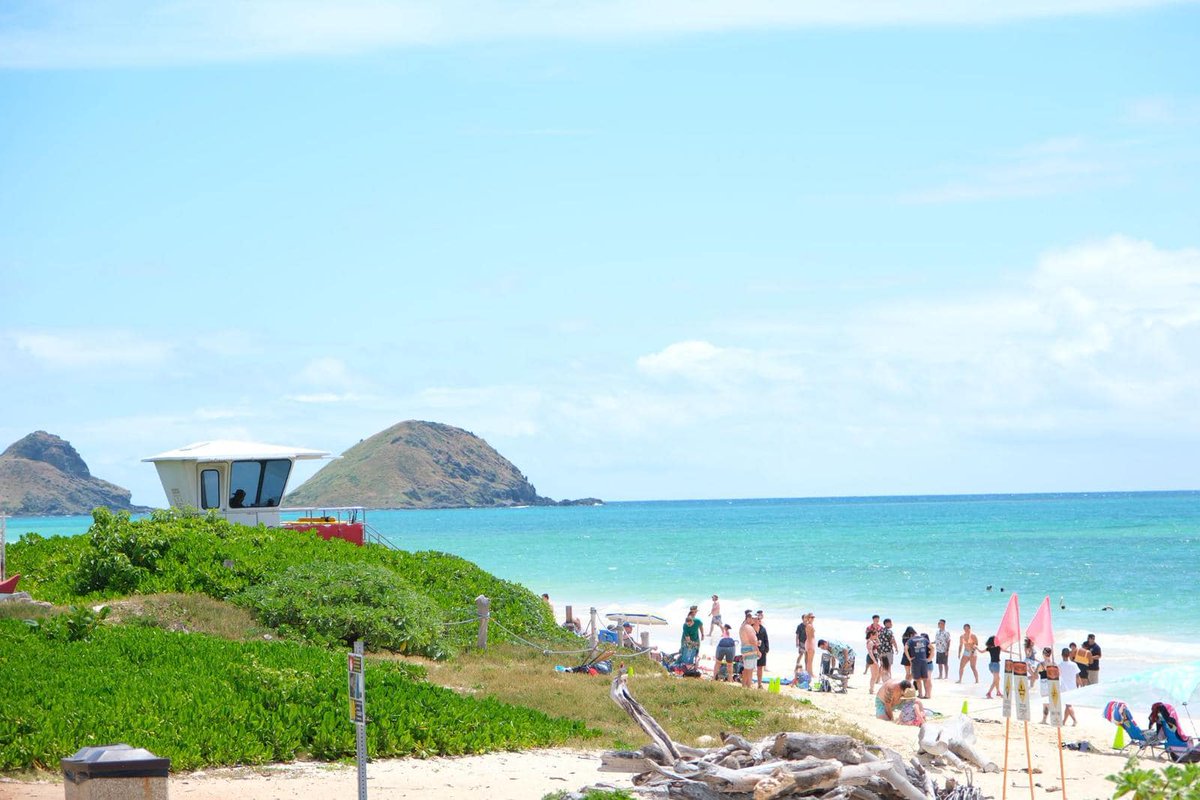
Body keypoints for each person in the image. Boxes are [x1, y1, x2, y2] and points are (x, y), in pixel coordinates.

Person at [907, 629, 933, 699]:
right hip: (926, 663)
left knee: (924, 679)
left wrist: (929, 658)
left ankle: (925, 694)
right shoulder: (925, 646)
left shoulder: (925, 646)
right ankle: (927, 694)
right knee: (926, 679)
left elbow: (932, 651)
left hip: (926, 663)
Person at [740, 614, 760, 688]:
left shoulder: (743, 626)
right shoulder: (748, 627)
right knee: (749, 670)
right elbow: (752, 641)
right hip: (750, 649)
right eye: (753, 618)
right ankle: (748, 686)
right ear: (748, 618)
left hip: (745, 649)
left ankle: (744, 686)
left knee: (747, 669)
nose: (754, 620)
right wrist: (758, 651)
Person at [865, 615, 883, 693]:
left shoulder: (874, 641)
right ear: (872, 635)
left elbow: (879, 643)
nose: (877, 636)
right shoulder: (870, 642)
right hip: (872, 658)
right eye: (876, 635)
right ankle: (871, 689)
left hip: (874, 657)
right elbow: (870, 652)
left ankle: (871, 689)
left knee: (875, 674)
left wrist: (877, 637)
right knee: (873, 675)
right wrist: (874, 661)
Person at [755, 610, 770, 688]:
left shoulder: (763, 628)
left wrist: (767, 648)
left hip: (762, 650)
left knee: (760, 668)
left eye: (760, 619)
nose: (759, 620)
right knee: (751, 667)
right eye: (758, 619)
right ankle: (748, 682)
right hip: (753, 651)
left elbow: (766, 639)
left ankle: (759, 684)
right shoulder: (751, 628)